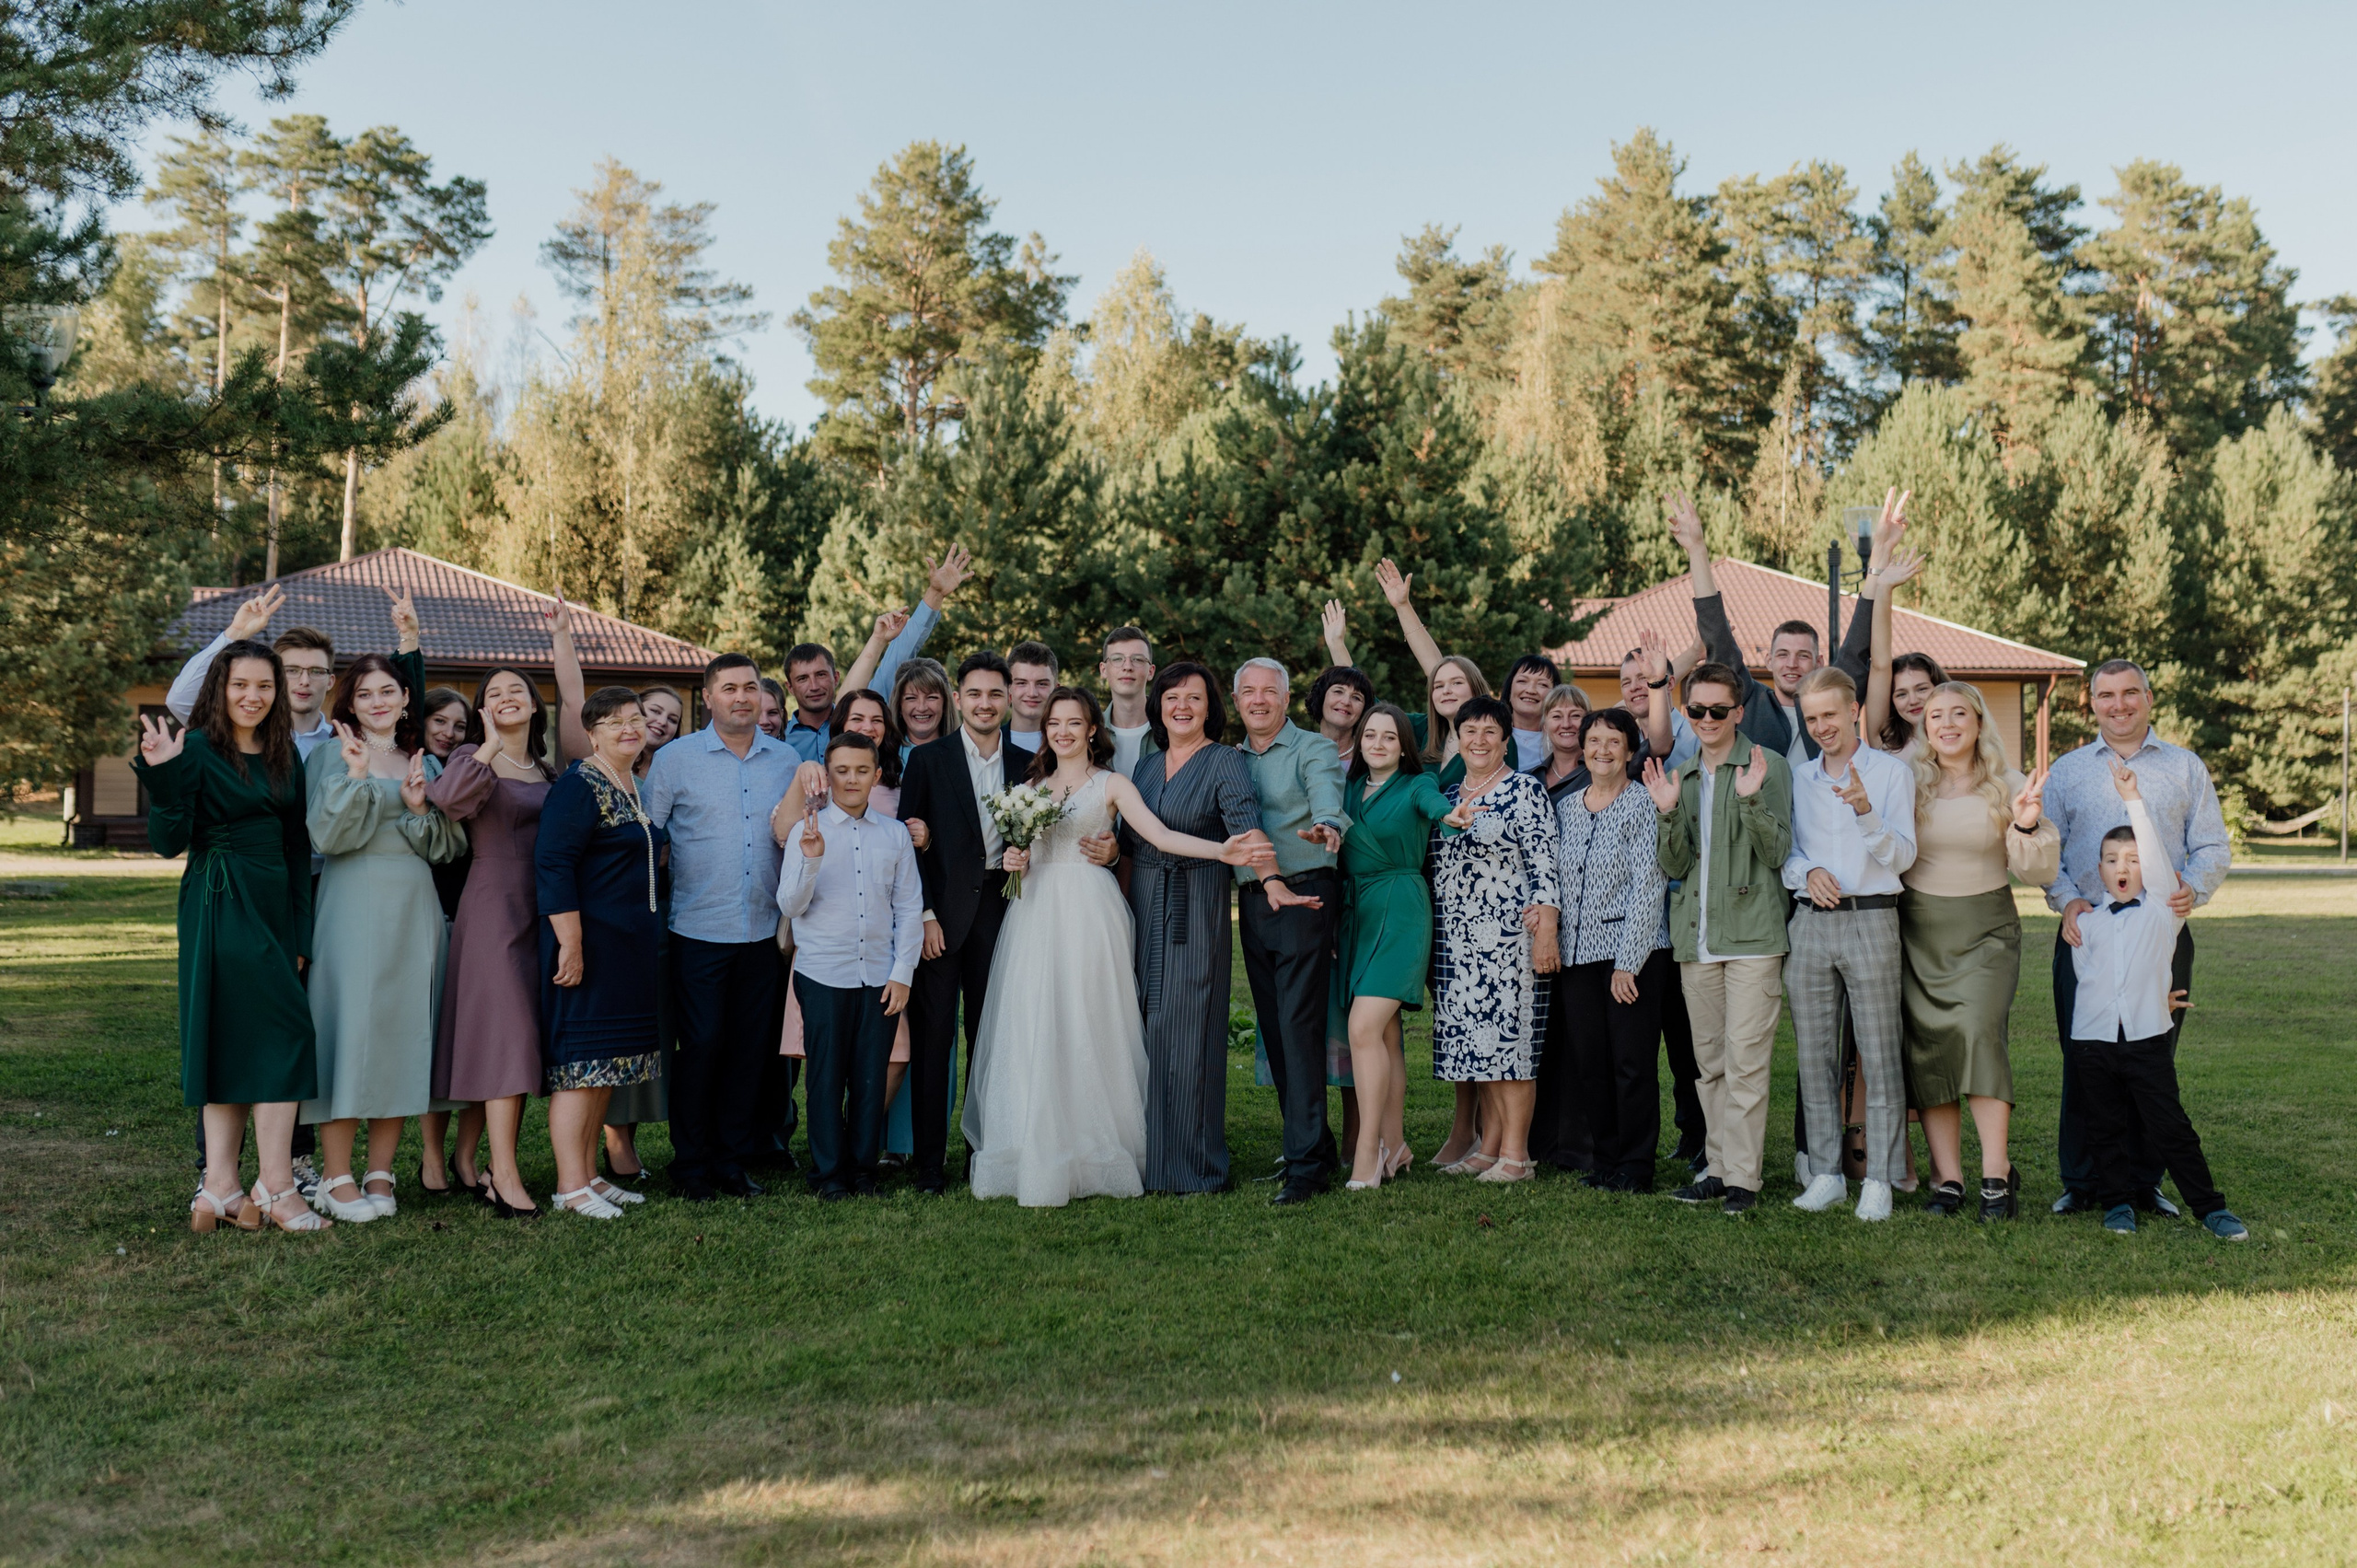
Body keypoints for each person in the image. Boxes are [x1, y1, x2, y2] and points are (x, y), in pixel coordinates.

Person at [966, 687, 1268, 1206]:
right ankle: (1031, 1146)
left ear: (1091, 730)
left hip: (1089, 913)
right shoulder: (1030, 785)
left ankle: (1097, 1147)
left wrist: (1223, 849)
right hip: (1035, 915)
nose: (1062, 731)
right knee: (1035, 1021)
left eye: (1073, 722)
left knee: (1091, 1020)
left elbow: (1159, 835)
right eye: (1053, 723)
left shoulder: (1113, 784)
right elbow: (1020, 853)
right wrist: (1016, 861)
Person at [134, 642, 329, 1234]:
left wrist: (300, 929)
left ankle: (220, 1188)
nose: (253, 696)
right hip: (220, 902)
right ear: (220, 688)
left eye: (264, 687)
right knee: (283, 1034)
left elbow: (297, 846)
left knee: (245, 1036)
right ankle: (275, 1187)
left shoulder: (282, 754)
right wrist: (165, 777)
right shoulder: (193, 749)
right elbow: (168, 842)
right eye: (240, 684)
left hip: (274, 905)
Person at [2045, 659, 2231, 1215]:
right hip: (2085, 934)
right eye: (2107, 695)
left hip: (2162, 934)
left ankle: (2144, 1181)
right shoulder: (2070, 770)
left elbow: (2213, 846)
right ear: (2092, 702)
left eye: (2130, 693)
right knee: (2085, 1056)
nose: (2119, 704)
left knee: (2153, 1055)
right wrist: (2066, 899)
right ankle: (2083, 1182)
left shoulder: (2184, 767)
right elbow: (2044, 849)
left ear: (2149, 698)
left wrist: (2191, 891)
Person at [302, 653, 466, 1224]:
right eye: (365, 693)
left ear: (403, 701)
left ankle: (381, 1170)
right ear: (350, 702)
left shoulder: (426, 762)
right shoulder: (330, 754)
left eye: (388, 691)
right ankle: (334, 1175)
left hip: (415, 905)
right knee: (350, 1031)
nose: (377, 701)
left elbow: (448, 848)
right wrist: (355, 775)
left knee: (402, 1032)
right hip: (352, 901)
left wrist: (421, 809)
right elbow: (327, 835)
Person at [642, 652, 798, 1202]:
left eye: (750, 688)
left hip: (764, 933)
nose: (741, 697)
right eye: (729, 688)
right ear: (706, 698)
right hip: (698, 930)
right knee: (703, 1045)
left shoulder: (786, 760)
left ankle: (731, 1162)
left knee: (749, 1050)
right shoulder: (676, 760)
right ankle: (690, 1165)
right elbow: (647, 837)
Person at [2070, 761, 2247, 1241]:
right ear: (2099, 868)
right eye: (2112, 859)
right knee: (2104, 1127)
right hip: (2093, 1040)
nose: (2123, 867)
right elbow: (2092, 980)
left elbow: (2154, 856)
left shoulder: (2164, 909)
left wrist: (2132, 798)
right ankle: (2117, 1204)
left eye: (2132, 859)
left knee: (2170, 1126)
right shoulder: (2084, 923)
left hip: (2147, 1040)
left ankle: (2210, 1208)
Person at [1901, 681, 2058, 1220]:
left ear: (1977, 722)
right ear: (1925, 726)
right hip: (1919, 930)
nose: (1946, 724)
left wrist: (2028, 821)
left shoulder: (2007, 783)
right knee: (1931, 1048)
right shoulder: (1908, 780)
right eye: (1935, 715)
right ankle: (1949, 1180)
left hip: (1987, 930)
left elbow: (2038, 869)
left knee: (1978, 1035)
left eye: (1958, 714)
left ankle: (1996, 1176)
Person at [1644, 659, 1794, 1216]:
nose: (1708, 719)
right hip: (1696, 939)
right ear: (1687, 712)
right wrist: (1665, 813)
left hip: (1754, 937)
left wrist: (1752, 797)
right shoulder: (1680, 778)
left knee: (1747, 1062)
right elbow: (1675, 862)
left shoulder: (1768, 766)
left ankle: (1744, 1181)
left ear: (1738, 711)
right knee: (1709, 1064)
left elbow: (1778, 853)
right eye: (1698, 709)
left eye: (1719, 709)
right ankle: (1717, 1165)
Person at [424, 663, 569, 1219]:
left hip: (545, 913)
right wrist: (484, 745)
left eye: (518, 692)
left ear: (535, 706)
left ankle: (482, 1163)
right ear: (483, 709)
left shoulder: (549, 771)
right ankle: (502, 1173)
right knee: (506, 1036)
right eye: (494, 694)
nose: (507, 698)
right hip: (492, 910)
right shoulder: (471, 759)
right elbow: (448, 801)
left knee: (522, 1039)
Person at [1123, 662, 1269, 1194]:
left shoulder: (1225, 761)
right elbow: (1132, 837)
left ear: (1211, 708)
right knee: (1142, 1028)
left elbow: (1246, 826)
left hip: (1196, 903)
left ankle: (1194, 1166)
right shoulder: (1143, 767)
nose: (1181, 706)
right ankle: (1145, 1156)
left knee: (1187, 1031)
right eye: (1171, 697)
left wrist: (1271, 880)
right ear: (1158, 706)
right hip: (1142, 905)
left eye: (1194, 698)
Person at [1781, 668, 1917, 1222]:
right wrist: (1807, 870)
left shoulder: (1889, 774)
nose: (1821, 727)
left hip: (1872, 919)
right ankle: (1827, 1174)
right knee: (1814, 1057)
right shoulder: (1798, 777)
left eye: (1829, 715)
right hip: (1812, 924)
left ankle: (1880, 1180)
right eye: (1811, 719)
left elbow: (1903, 856)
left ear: (1853, 709)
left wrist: (1864, 810)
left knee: (1880, 1054)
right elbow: (1788, 853)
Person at [770, 691, 921, 1163]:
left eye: (861, 771)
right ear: (827, 777)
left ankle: (862, 1169)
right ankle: (829, 1173)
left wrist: (903, 974)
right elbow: (790, 904)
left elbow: (909, 908)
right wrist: (811, 862)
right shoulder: (806, 831)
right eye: (841, 771)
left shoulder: (894, 835)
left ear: (876, 776)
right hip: (821, 974)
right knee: (825, 1079)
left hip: (878, 975)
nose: (851, 779)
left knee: (871, 1079)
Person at [536, 687, 668, 1219]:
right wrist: (570, 943)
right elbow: (553, 865)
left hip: (627, 951)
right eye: (615, 722)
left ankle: (589, 1174)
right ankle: (570, 1187)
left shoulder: (630, 783)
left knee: (606, 1069)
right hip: (589, 946)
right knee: (581, 1067)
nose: (629, 729)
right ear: (591, 733)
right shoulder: (579, 784)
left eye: (636, 720)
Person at [898, 652, 1022, 1194]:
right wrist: (924, 914)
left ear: (1009, 700)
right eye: (975, 694)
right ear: (958, 698)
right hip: (941, 920)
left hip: (1005, 912)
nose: (985, 703)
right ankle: (929, 1164)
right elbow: (910, 847)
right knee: (934, 1039)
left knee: (992, 1039)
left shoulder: (1028, 763)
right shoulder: (927, 761)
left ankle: (983, 1154)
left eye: (996, 694)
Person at [1335, 703, 1473, 1189]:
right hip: (1357, 915)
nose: (1377, 743)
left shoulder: (1418, 785)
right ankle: (1395, 1146)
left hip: (1401, 910)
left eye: (1389, 737)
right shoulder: (1349, 788)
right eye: (1370, 735)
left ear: (1403, 746)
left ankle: (1367, 1154)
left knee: (1363, 1028)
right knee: (1387, 1037)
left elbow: (1436, 808)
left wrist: (1451, 816)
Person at [1231, 658, 1350, 1206]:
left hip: (1305, 895)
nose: (1259, 700)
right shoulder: (1229, 759)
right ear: (1237, 701)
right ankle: (1313, 1147)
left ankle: (1306, 1169)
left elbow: (1326, 793)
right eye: (1248, 692)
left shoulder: (1313, 749)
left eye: (1269, 692)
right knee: (1275, 1032)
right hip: (1253, 901)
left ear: (1285, 699)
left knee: (1299, 1027)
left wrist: (1328, 823)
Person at [1430, 696, 1562, 1183]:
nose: (1479, 740)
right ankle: (1487, 1149)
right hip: (1459, 943)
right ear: (1458, 738)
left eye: (1490, 732)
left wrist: (1546, 926)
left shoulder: (1524, 790)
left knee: (1512, 1048)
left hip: (1509, 940)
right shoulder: (1445, 798)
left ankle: (1516, 1156)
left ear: (1506, 739)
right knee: (1479, 1046)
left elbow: (1546, 863)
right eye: (1470, 731)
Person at [1541, 707, 1674, 1190]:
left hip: (1633, 957)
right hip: (1577, 959)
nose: (1601, 750)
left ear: (1630, 750)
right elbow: (1552, 879)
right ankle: (1607, 1160)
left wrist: (1628, 964)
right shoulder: (1567, 808)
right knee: (1591, 1061)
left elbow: (1648, 886)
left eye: (1613, 741)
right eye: (1593, 740)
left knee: (1632, 1063)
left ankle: (1637, 1167)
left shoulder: (1642, 804)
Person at [1665, 490, 1880, 771]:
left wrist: (1878, 563)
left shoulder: (1832, 705)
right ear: (1768, 660)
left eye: (1803, 655)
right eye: (1782, 655)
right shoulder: (1749, 700)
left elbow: (1857, 647)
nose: (1792, 663)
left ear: (1818, 663)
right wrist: (1697, 550)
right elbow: (1717, 635)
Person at [780, 547, 970, 763]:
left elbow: (900, 653)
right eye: (802, 679)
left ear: (836, 677)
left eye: (821, 675)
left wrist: (934, 594)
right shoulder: (781, 740)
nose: (814, 686)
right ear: (790, 687)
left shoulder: (864, 711)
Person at [1371, 558, 1490, 788]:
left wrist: (1404, 608)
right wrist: (1337, 645)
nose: (1445, 691)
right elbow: (1364, 705)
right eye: (1438, 686)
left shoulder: (1497, 736)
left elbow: (1434, 666)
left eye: (1457, 683)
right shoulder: (1425, 731)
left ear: (1475, 688)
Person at [1098, 627, 1158, 773]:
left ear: (1150, 671)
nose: (1127, 667)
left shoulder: (1171, 729)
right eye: (1117, 659)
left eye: (1137, 659)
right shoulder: (1090, 731)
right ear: (1104, 670)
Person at [1530, 683, 1594, 803]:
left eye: (1575, 715)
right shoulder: (1530, 778)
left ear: (1589, 722)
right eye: (1557, 716)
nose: (1566, 724)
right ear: (1545, 726)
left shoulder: (1601, 773)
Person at [1305, 662, 1373, 769]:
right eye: (1338, 691)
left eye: (1356, 698)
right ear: (1321, 697)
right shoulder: (1299, 752)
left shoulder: (1371, 759)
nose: (1346, 702)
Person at [1504, 655, 1560, 771]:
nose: (1530, 690)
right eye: (1522, 681)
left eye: (1542, 684)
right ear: (1509, 690)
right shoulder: (1490, 734)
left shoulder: (1562, 740)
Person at [890, 657, 952, 761]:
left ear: (945, 704)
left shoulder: (964, 754)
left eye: (931, 697)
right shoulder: (883, 755)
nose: (922, 708)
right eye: (911, 698)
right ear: (899, 706)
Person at [1006, 640, 1060, 752]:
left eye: (1041, 684)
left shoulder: (1073, 743)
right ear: (1007, 688)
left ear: (1056, 689)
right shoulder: (990, 744)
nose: (1032, 693)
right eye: (1021, 683)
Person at [758, 677, 789, 741]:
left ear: (782, 715)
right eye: (756, 713)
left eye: (772, 713)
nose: (764, 721)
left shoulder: (791, 750)